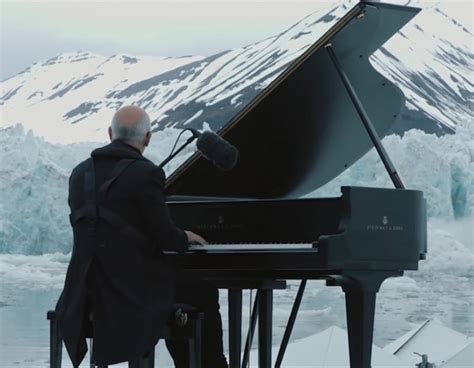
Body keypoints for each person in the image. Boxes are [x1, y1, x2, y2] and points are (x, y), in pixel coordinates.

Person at [55, 105, 228, 368]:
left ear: (110, 133)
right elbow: (166, 238)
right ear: (147, 138)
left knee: (177, 291)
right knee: (202, 292)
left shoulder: (79, 173)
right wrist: (185, 236)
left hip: (83, 290)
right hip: (127, 293)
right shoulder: (146, 174)